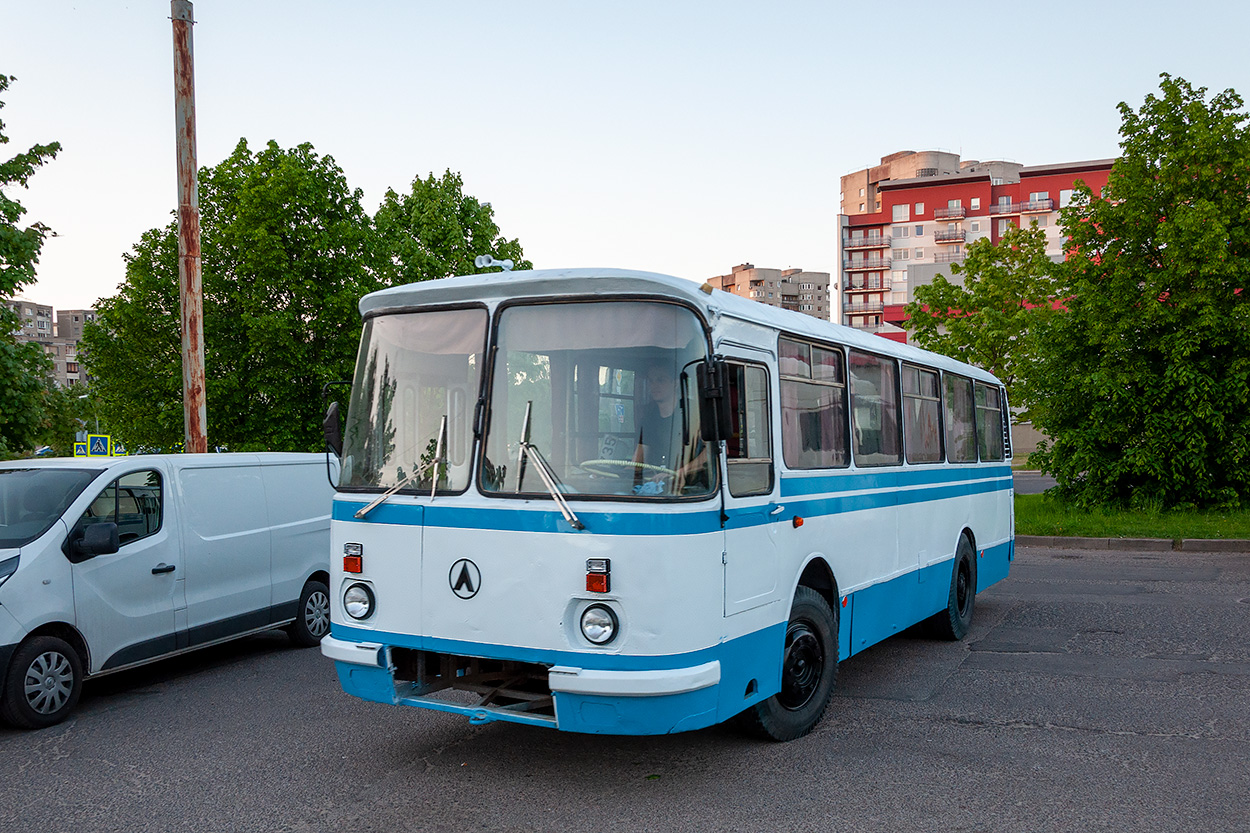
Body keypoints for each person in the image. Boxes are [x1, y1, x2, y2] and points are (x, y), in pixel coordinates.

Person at [632, 361, 709, 494]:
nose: (654, 386)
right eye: (651, 381)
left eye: (661, 380)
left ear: (676, 383)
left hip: (693, 489)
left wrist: (679, 472)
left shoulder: (694, 413)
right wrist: (620, 474)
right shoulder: (649, 417)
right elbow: (639, 457)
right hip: (657, 485)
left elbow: (709, 454)